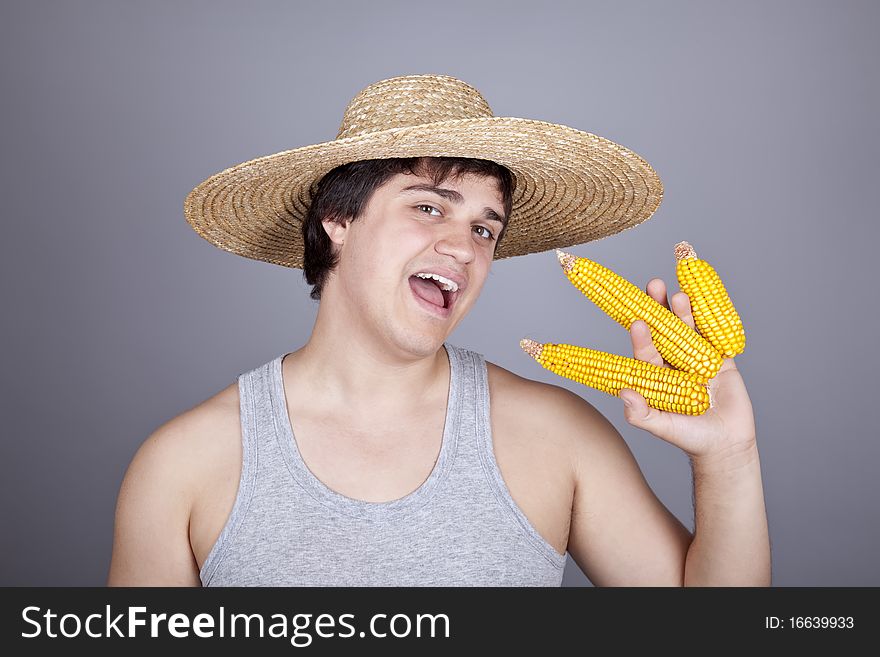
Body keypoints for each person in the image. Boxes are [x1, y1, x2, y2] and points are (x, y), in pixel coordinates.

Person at [107, 74, 770, 586]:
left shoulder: (557, 436)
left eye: (485, 227)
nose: (464, 247)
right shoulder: (183, 465)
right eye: (429, 206)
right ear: (339, 220)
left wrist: (728, 455)